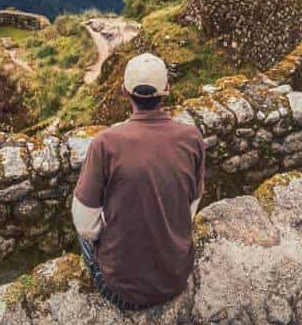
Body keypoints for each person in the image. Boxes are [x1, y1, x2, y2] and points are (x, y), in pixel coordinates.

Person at [71, 53, 205, 310]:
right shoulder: (192, 138)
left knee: (82, 217)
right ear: (166, 90)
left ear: (124, 91)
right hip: (176, 278)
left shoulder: (105, 144)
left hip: (123, 292)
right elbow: (192, 203)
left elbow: (86, 226)